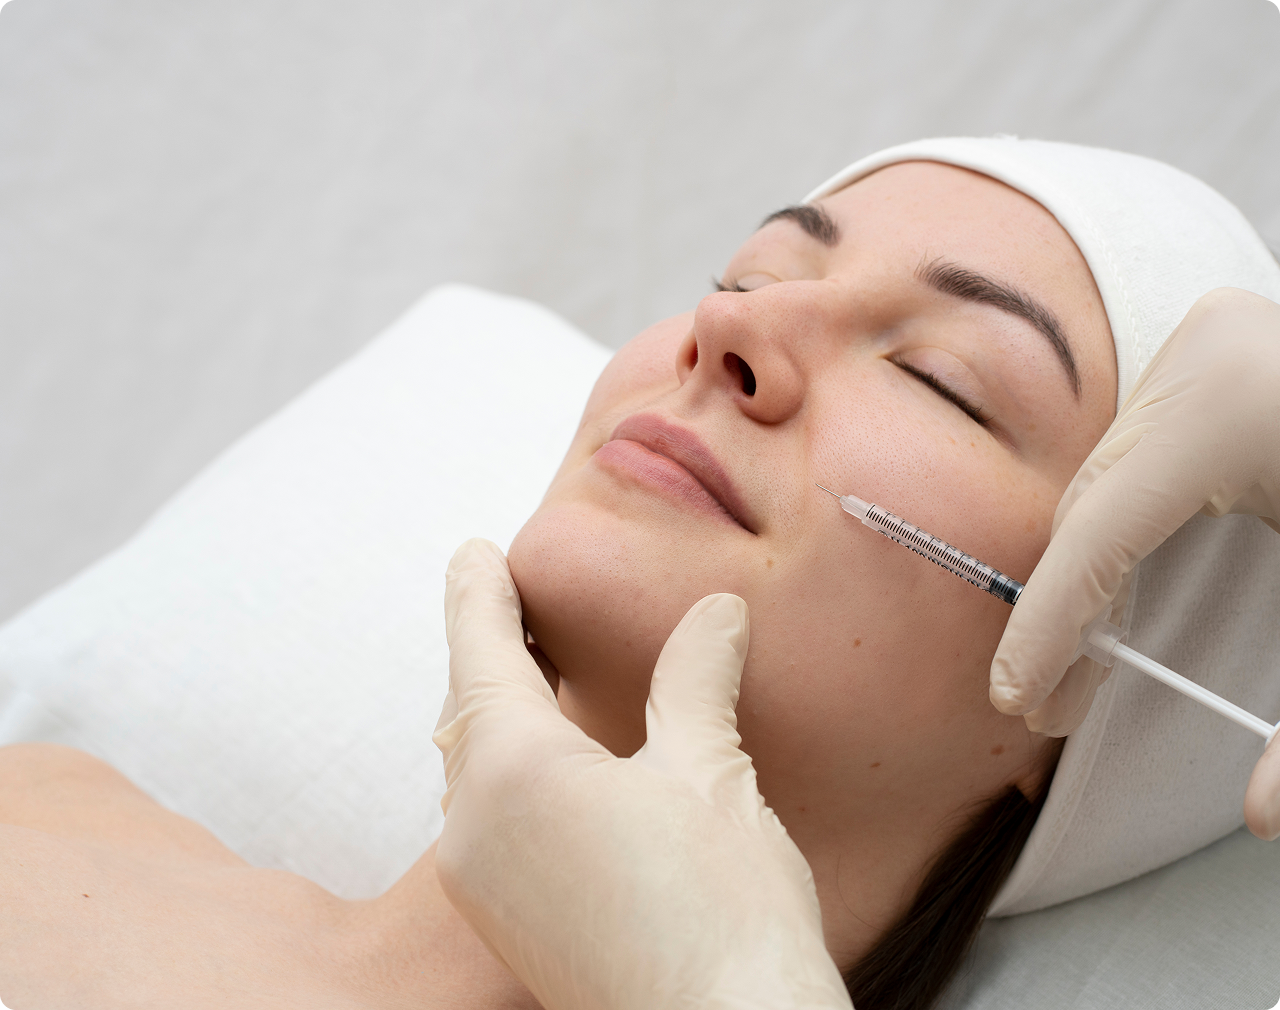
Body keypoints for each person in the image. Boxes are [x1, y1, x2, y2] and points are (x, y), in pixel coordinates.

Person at [3, 139, 1277, 1010]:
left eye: (937, 377)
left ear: (1080, 698)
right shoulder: (42, 812)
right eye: (748, 275)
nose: (732, 328)